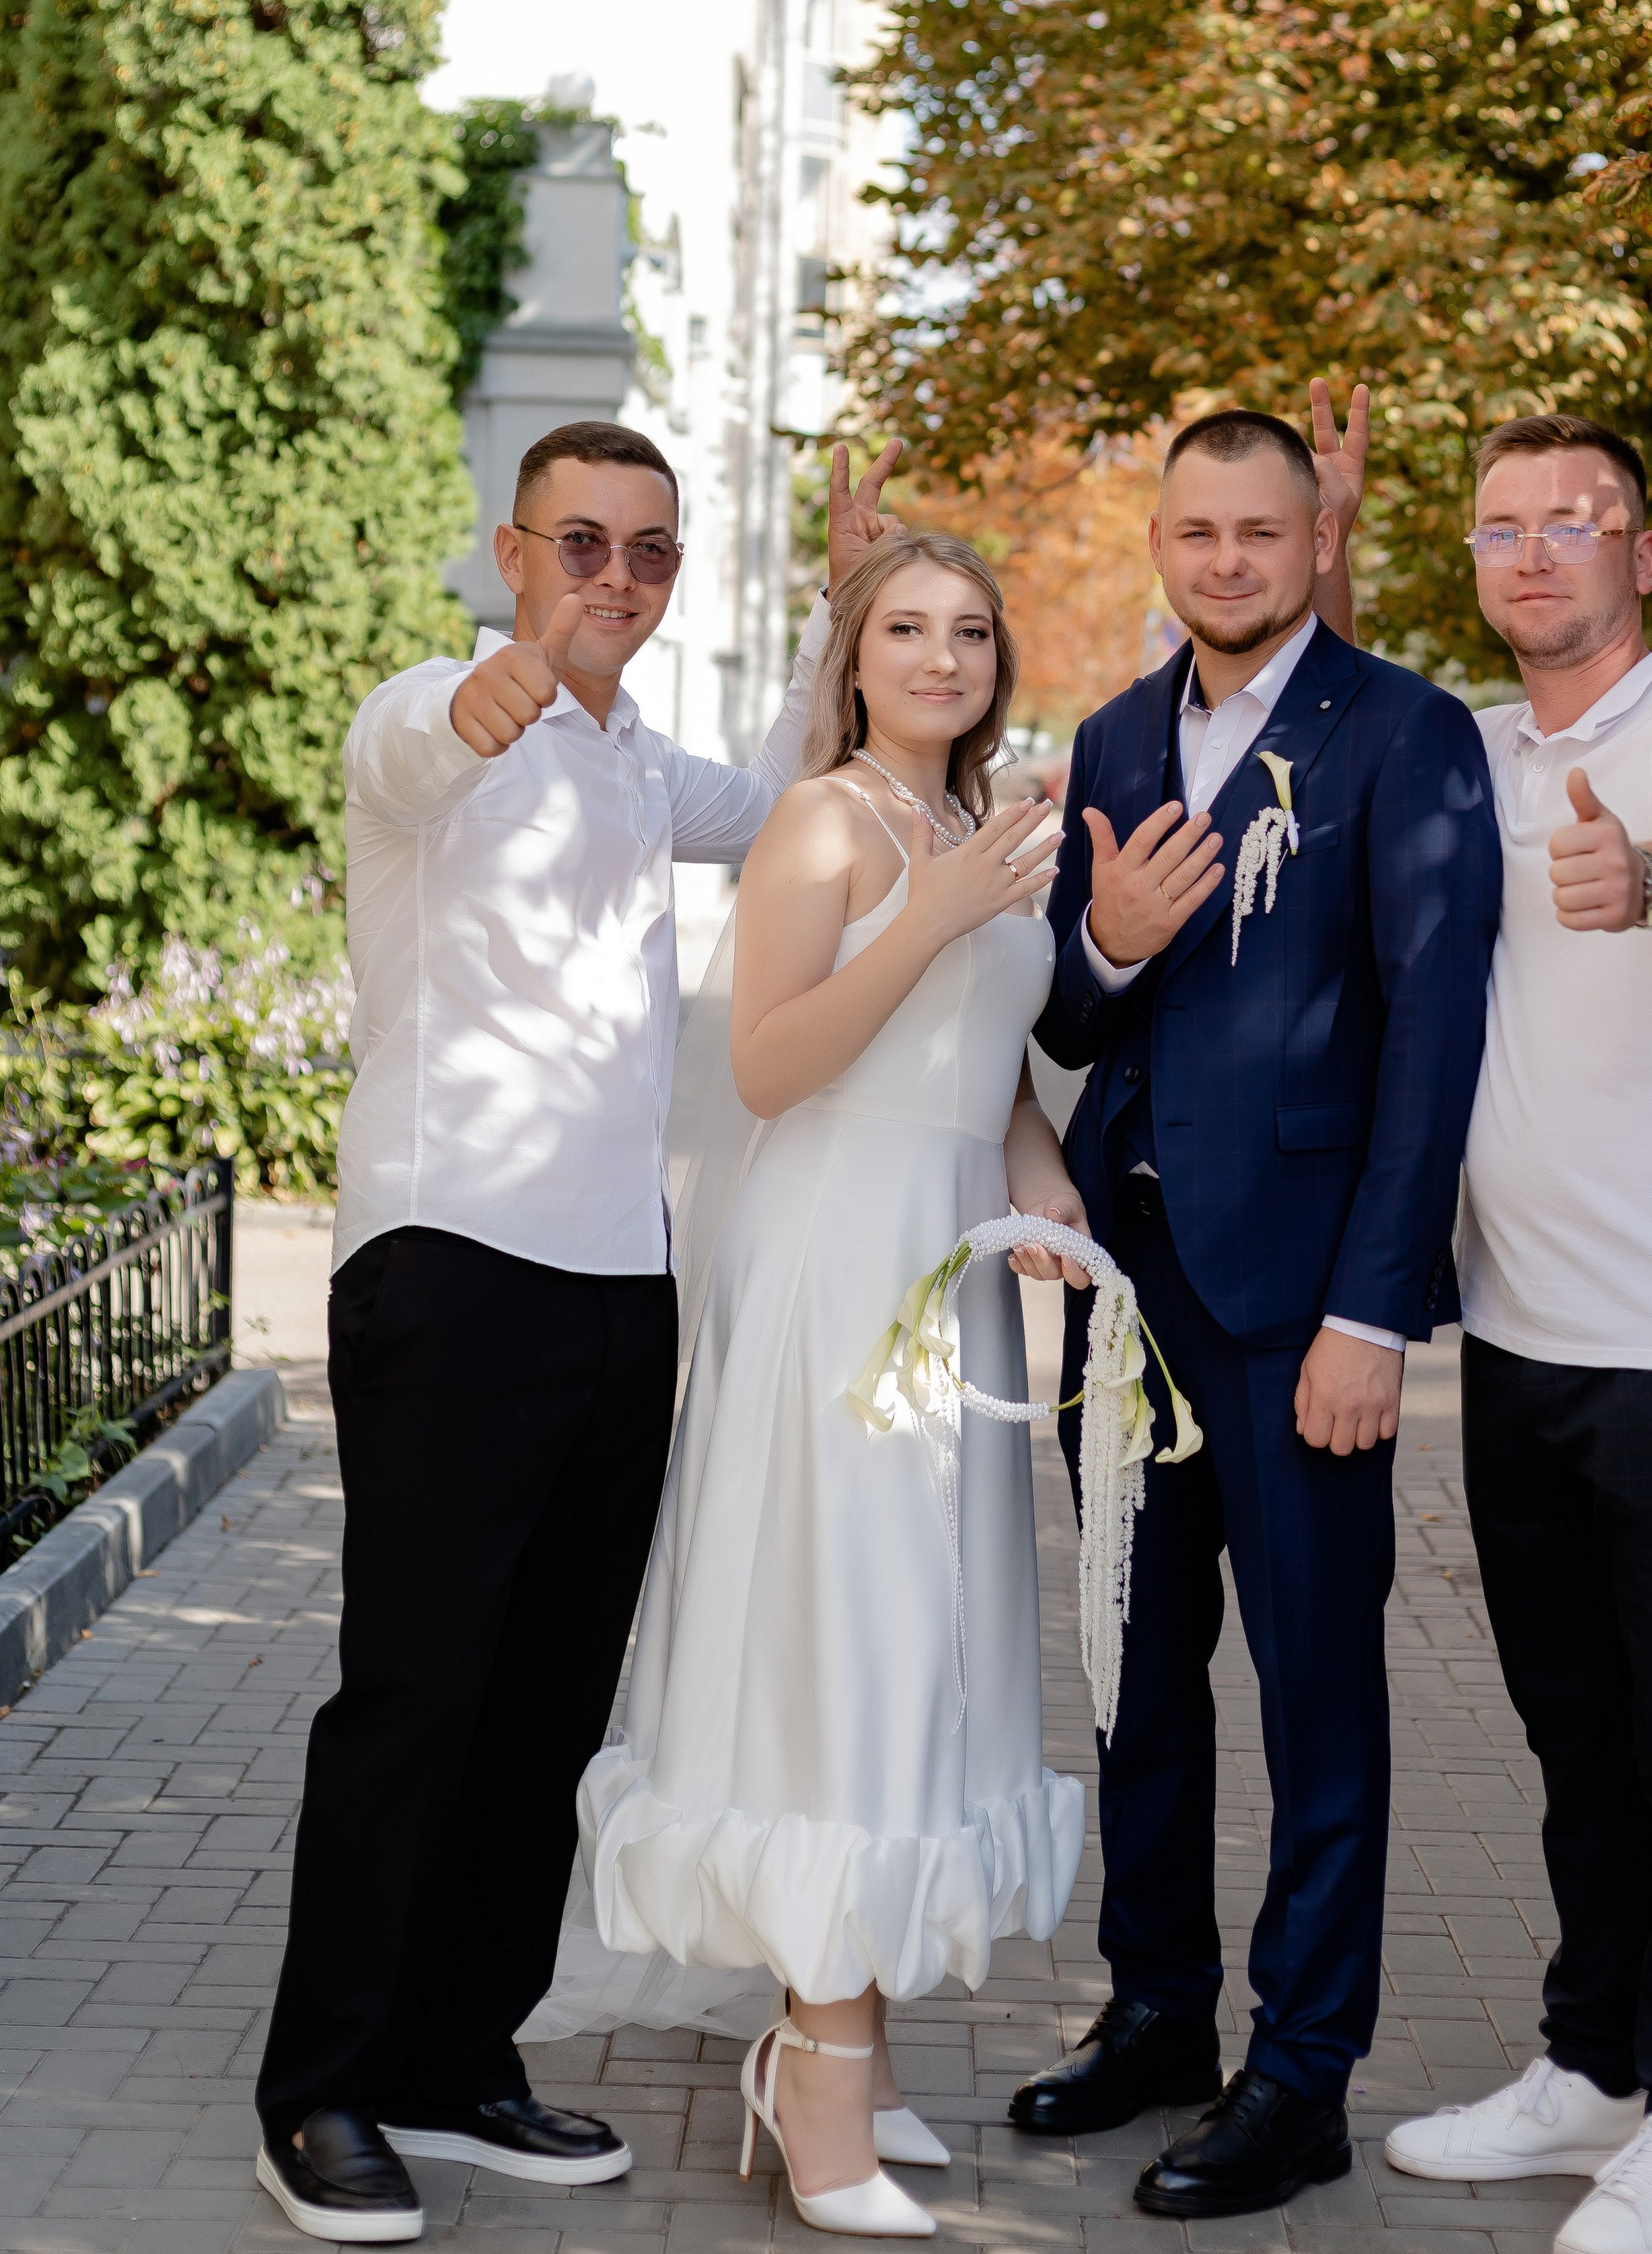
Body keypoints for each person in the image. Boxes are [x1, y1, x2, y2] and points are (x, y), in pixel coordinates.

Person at [253, 419, 904, 2246]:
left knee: (543, 1705)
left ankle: (457, 2064)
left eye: (646, 554)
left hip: (624, 1292)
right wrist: (494, 687)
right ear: (510, 549)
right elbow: (415, 744)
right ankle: (318, 2096)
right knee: (414, 1696)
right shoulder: (434, 718)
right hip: (451, 1266)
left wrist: (842, 603)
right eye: (579, 546)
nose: (612, 579)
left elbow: (790, 788)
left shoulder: (632, 765)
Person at [545, 529, 1087, 2240]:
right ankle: (819, 2078)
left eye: (970, 632)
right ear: (852, 657)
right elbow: (771, 1062)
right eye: (907, 630)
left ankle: (842, 2032)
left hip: (953, 1256)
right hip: (836, 1266)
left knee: (926, 1637)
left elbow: (979, 1051)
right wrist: (928, 914)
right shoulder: (825, 823)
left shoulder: (978, 831)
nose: (941, 657)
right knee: (841, 1631)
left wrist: (1040, 1168)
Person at [1012, 401, 1502, 2222]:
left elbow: (1431, 1045)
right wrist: (1115, 938)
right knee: (1135, 1678)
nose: (1226, 561)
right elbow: (1066, 1018)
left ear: (1314, 542)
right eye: (1195, 532)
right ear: (1163, 543)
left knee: (1314, 1698)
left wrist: (1372, 1316)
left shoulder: (1401, 734)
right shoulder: (1113, 737)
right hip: (1129, 1304)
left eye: (1259, 533)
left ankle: (1298, 2076)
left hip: (1300, 1315)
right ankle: (1153, 2012)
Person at [1381, 414, 1652, 2254]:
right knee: (1571, 1733)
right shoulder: (1472, 750)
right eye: (1499, 528)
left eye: (1575, 522)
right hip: (1520, 1327)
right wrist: (1317, 559)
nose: (1534, 553)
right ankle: (1593, 2068)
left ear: (1641, 554)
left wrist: (1640, 879)